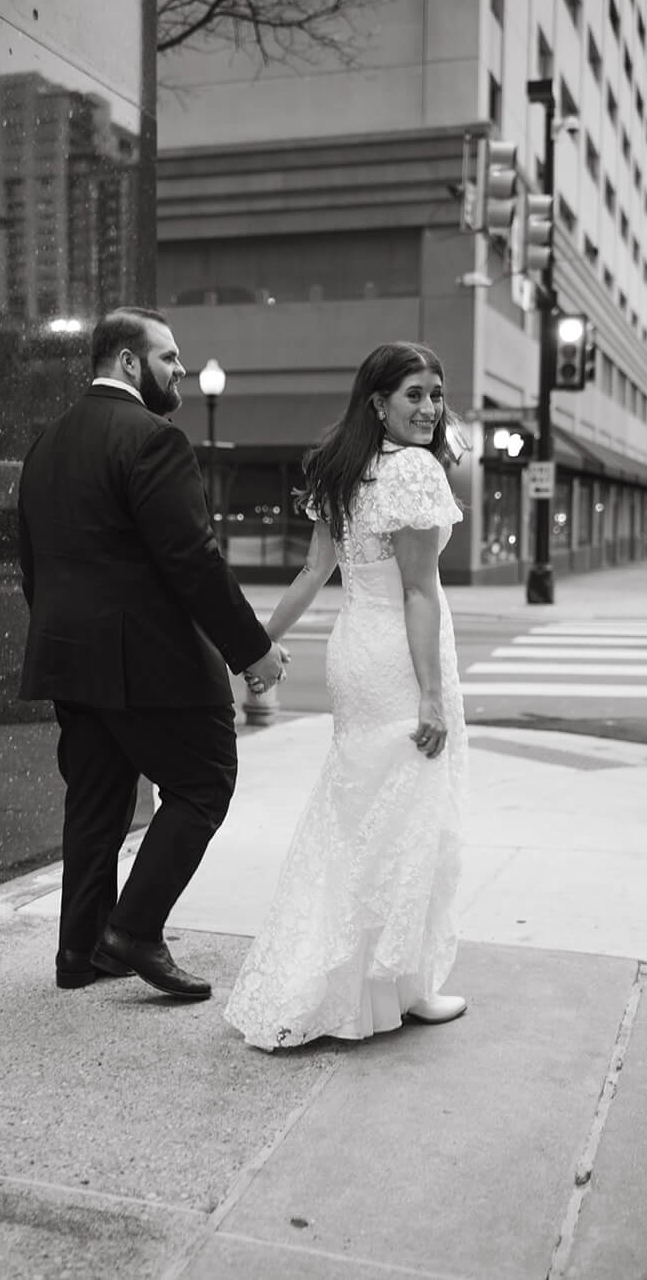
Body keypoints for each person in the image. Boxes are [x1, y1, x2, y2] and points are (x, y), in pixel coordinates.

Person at [19, 307, 288, 1000]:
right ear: (130, 363)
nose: (182, 370)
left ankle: (80, 953)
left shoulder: (46, 443)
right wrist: (250, 651)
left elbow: (33, 567)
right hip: (149, 665)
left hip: (68, 660)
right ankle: (134, 931)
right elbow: (192, 560)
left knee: (96, 809)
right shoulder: (153, 439)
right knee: (203, 784)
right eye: (169, 357)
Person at [223, 342, 470, 1051]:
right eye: (414, 395)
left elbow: (312, 573)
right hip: (402, 657)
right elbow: (420, 592)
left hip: (356, 650)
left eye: (436, 394)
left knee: (357, 812)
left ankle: (364, 981)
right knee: (413, 815)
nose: (429, 408)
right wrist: (430, 696)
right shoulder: (415, 472)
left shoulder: (340, 468)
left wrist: (256, 647)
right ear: (378, 403)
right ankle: (407, 987)